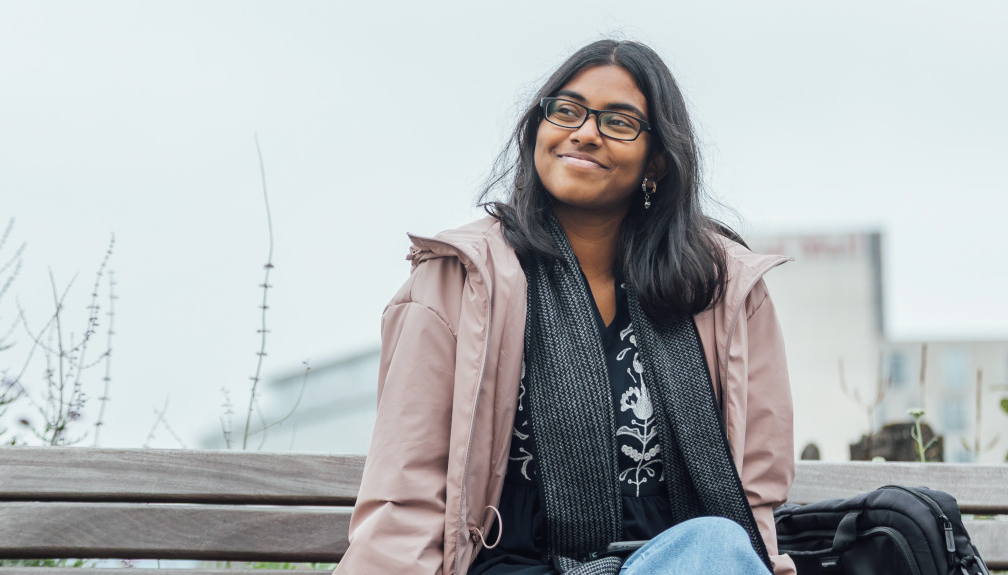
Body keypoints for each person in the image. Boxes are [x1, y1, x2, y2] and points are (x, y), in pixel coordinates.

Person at [335, 39, 797, 575]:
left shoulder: (721, 288)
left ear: (659, 161)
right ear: (539, 128)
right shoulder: (458, 282)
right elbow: (405, 493)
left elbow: (754, 498)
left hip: (686, 562)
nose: (584, 132)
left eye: (619, 122)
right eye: (567, 110)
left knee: (716, 544)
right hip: (516, 568)